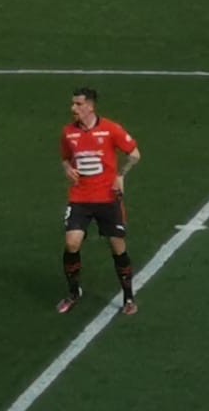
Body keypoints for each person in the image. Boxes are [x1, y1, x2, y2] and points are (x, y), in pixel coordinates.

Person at [58, 87, 141, 317]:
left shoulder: (110, 129)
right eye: (73, 104)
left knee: (117, 247)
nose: (73, 108)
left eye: (78, 104)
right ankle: (74, 293)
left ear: (90, 106)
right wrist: (67, 169)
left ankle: (128, 297)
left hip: (107, 198)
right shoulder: (68, 133)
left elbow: (134, 153)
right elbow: (65, 158)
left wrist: (121, 175)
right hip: (80, 198)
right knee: (72, 243)